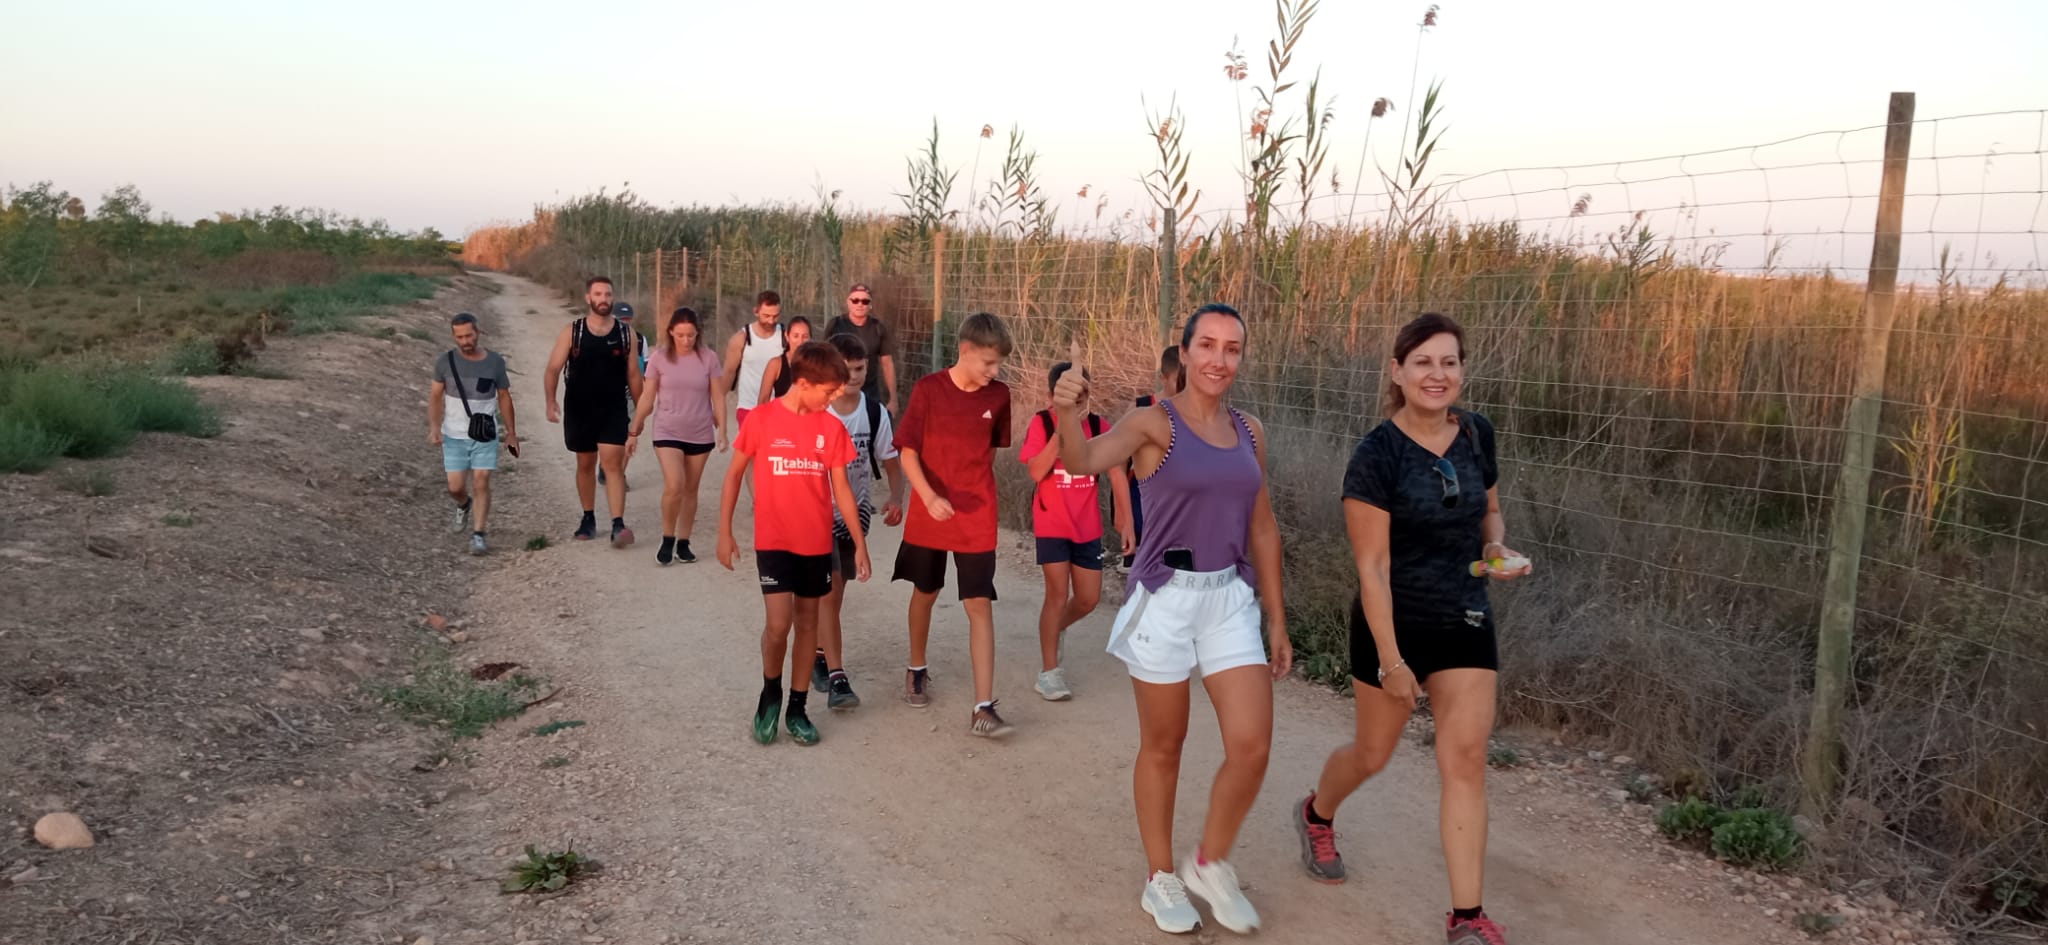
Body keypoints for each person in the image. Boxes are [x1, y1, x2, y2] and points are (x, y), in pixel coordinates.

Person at [1048, 303, 1291, 935]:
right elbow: (1081, 463)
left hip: (1229, 597)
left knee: (1253, 746)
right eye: (1206, 345)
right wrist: (1066, 413)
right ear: (1184, 354)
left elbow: (1262, 527)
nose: (1219, 359)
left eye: (1231, 348)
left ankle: (1209, 861)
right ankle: (1161, 879)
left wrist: (1278, 619)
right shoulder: (1154, 423)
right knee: (1165, 745)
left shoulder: (1249, 430)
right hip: (1167, 597)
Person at [1295, 311, 1531, 945]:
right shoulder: (1376, 455)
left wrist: (1497, 548)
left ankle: (1466, 919)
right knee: (1373, 754)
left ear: (1462, 370)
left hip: (1465, 616)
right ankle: (1318, 812)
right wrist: (1394, 663)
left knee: (1466, 759)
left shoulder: (1478, 433)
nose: (1438, 373)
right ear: (1397, 372)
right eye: (1423, 362)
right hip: (1391, 625)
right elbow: (1372, 568)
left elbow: (1491, 511)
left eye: (1449, 361)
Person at [714, 340, 873, 746]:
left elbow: (842, 489)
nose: (836, 396)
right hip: (774, 540)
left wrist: (860, 544)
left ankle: (798, 707)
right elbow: (734, 475)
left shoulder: (830, 428)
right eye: (829, 390)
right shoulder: (762, 420)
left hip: (816, 544)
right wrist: (724, 531)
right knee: (778, 625)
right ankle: (770, 693)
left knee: (807, 625)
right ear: (803, 383)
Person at [892, 311, 1014, 736]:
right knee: (926, 591)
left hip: (976, 515)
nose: (994, 373)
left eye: (998, 365)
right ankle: (916, 666)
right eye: (988, 363)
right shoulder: (928, 391)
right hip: (930, 510)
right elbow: (907, 451)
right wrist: (929, 497)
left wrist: (969, 492)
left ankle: (983, 705)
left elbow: (989, 451)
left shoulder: (999, 397)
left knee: (978, 603)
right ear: (964, 352)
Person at [807, 332, 907, 711]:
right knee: (829, 592)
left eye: (860, 368)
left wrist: (896, 497)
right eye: (845, 370)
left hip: (855, 513)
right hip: (816, 512)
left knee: (836, 592)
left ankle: (818, 652)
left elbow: (891, 461)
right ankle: (837, 677)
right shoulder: (817, 412)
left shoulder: (874, 412)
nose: (853, 376)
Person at [1019, 361, 1130, 701]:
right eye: (1067, 399)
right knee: (1055, 593)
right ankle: (1049, 673)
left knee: (1088, 598)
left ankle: (1058, 628)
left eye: (1081, 399)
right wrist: (1061, 432)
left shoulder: (1099, 426)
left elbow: (1115, 475)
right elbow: (1036, 472)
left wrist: (1126, 521)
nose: (1076, 405)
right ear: (1052, 396)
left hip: (1086, 526)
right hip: (1052, 521)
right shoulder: (1041, 423)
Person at [543, 276, 642, 546]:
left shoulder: (625, 334)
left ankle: (618, 524)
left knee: (613, 463)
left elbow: (634, 375)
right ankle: (588, 517)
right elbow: (553, 368)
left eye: (608, 294)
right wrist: (550, 401)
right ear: (588, 298)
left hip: (613, 408)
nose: (603, 299)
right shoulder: (572, 332)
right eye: (598, 294)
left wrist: (641, 412)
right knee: (585, 464)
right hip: (579, 408)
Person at [626, 307, 727, 566]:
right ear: (671, 332)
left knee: (691, 489)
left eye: (690, 335)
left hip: (700, 431)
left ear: (697, 334)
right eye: (680, 335)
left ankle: (684, 541)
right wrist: (634, 430)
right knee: (675, 484)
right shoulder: (659, 359)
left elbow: (718, 396)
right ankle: (668, 537)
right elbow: (648, 397)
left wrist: (723, 431)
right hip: (668, 429)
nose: (685, 340)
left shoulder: (709, 358)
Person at [429, 312, 517, 556]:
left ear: (478, 332)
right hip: (454, 435)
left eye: (469, 335)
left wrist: (511, 433)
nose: (465, 340)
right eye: (460, 337)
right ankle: (463, 504)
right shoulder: (444, 362)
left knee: (481, 481)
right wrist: (435, 427)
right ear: (454, 337)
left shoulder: (495, 362)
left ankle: (479, 534)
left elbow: (504, 397)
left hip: (484, 433)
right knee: (455, 487)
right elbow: (435, 396)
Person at [1121, 345, 1185, 568]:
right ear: (1163, 378)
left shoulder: (1198, 415)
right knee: (1144, 582)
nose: (1186, 386)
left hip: (1181, 513)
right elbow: (1117, 467)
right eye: (1180, 379)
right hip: (1142, 505)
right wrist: (1125, 518)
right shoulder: (1140, 410)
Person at [823, 282, 898, 414]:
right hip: (839, 389)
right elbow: (824, 360)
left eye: (864, 301)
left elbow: (887, 363)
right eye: (855, 300)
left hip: (870, 390)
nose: (860, 304)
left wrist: (893, 399)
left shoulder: (878, 328)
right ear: (848, 302)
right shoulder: (835, 325)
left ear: (870, 305)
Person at [598, 301, 648, 491]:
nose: (625, 324)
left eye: (628, 320)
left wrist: (646, 398)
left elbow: (648, 370)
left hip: (630, 396)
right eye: (621, 320)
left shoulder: (641, 341)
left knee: (629, 435)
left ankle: (618, 475)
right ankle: (607, 466)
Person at [723, 290, 786, 430]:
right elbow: (729, 372)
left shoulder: (785, 337)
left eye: (775, 316)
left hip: (778, 409)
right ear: (756, 311)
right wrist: (719, 403)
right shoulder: (741, 338)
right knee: (749, 451)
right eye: (766, 316)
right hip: (748, 408)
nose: (771, 321)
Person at [755, 315, 814, 405]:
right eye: (796, 336)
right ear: (787, 335)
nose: (800, 341)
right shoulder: (776, 364)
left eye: (805, 337)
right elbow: (763, 400)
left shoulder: (816, 365)